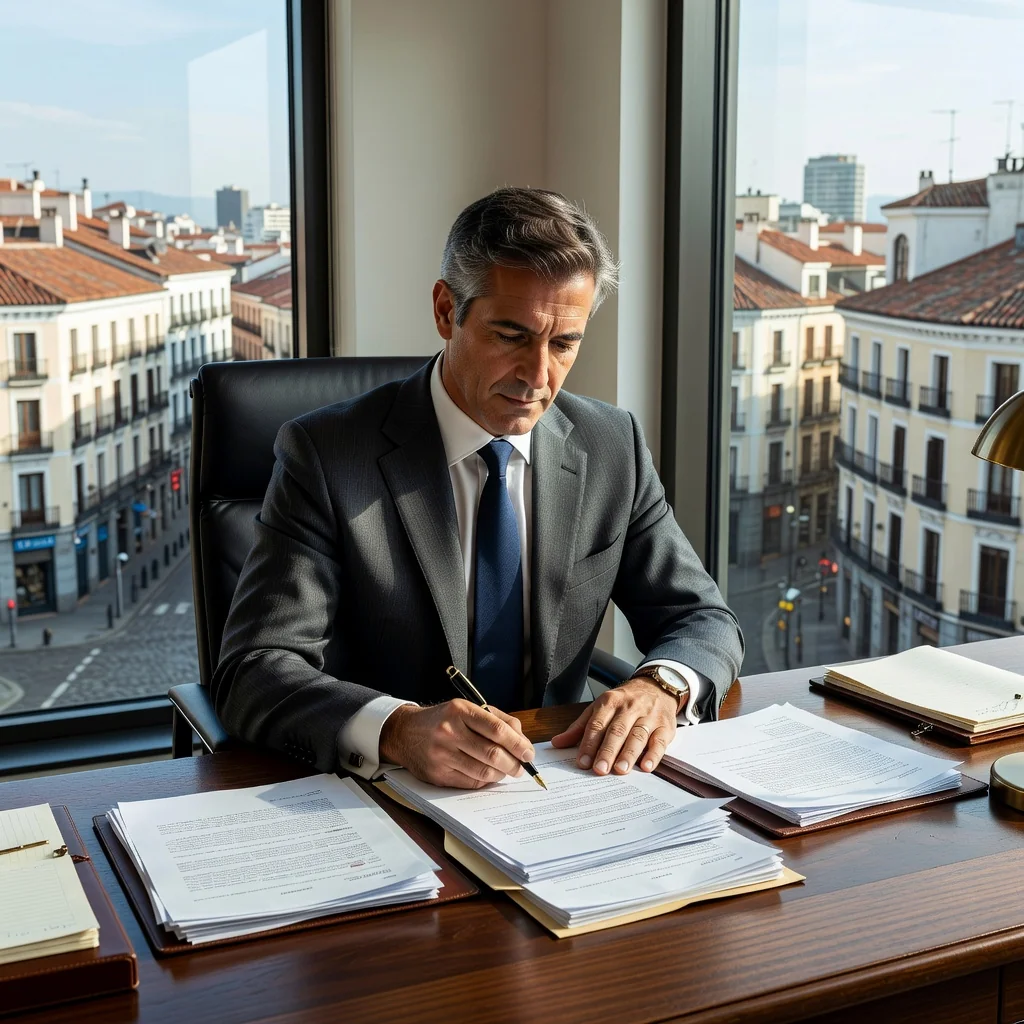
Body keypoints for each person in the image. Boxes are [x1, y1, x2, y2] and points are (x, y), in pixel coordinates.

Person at [212, 187, 743, 789]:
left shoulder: (610, 443)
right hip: (386, 797)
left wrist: (662, 686)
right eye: (511, 336)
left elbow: (703, 617)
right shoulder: (327, 455)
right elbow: (254, 669)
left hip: (561, 784)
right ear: (446, 310)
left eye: (564, 343)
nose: (538, 376)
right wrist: (397, 729)